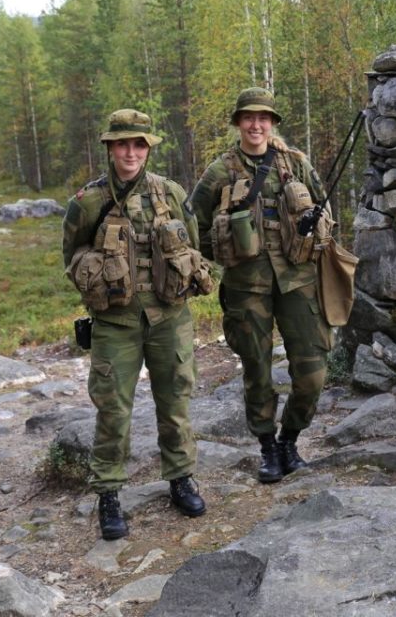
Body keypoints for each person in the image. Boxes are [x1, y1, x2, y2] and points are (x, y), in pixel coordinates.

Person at [62, 108, 213, 539]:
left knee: (176, 401)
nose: (131, 152)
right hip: (116, 322)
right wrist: (97, 273)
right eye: (123, 144)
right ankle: (109, 493)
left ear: (148, 148)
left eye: (138, 144)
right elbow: (70, 257)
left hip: (170, 317)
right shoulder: (87, 201)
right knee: (113, 409)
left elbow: (194, 244)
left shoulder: (171, 192)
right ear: (110, 148)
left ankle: (181, 479)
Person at [187, 87, 333, 483]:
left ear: (272, 123)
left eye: (263, 118)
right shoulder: (219, 172)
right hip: (246, 286)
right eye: (249, 117)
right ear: (238, 123)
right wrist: (222, 249)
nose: (256, 124)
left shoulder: (296, 164)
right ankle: (268, 447)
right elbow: (192, 225)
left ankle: (291, 439)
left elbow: (325, 212)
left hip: (298, 280)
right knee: (257, 369)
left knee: (313, 370)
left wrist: (310, 230)